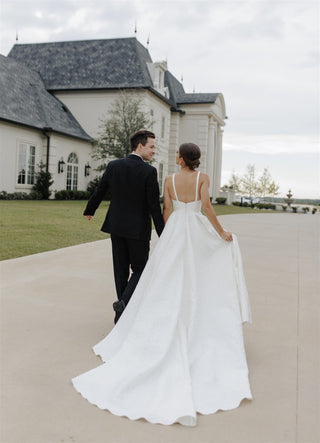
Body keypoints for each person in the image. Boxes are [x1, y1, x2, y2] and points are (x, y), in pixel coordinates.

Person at [73, 142, 252, 426]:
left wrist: (169, 236)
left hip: (175, 231)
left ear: (181, 158)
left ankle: (140, 314)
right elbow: (205, 208)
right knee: (196, 276)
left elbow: (166, 210)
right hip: (194, 229)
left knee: (163, 279)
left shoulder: (168, 179)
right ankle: (193, 319)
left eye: (177, 153)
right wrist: (221, 233)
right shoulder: (202, 178)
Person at [83, 129, 164, 323]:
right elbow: (154, 206)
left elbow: (100, 189)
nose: (154, 151)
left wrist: (90, 209)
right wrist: (164, 233)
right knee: (140, 269)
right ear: (140, 146)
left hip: (117, 226)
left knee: (120, 270)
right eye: (151, 147)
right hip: (138, 230)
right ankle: (123, 304)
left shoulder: (114, 166)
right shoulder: (149, 171)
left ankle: (121, 311)